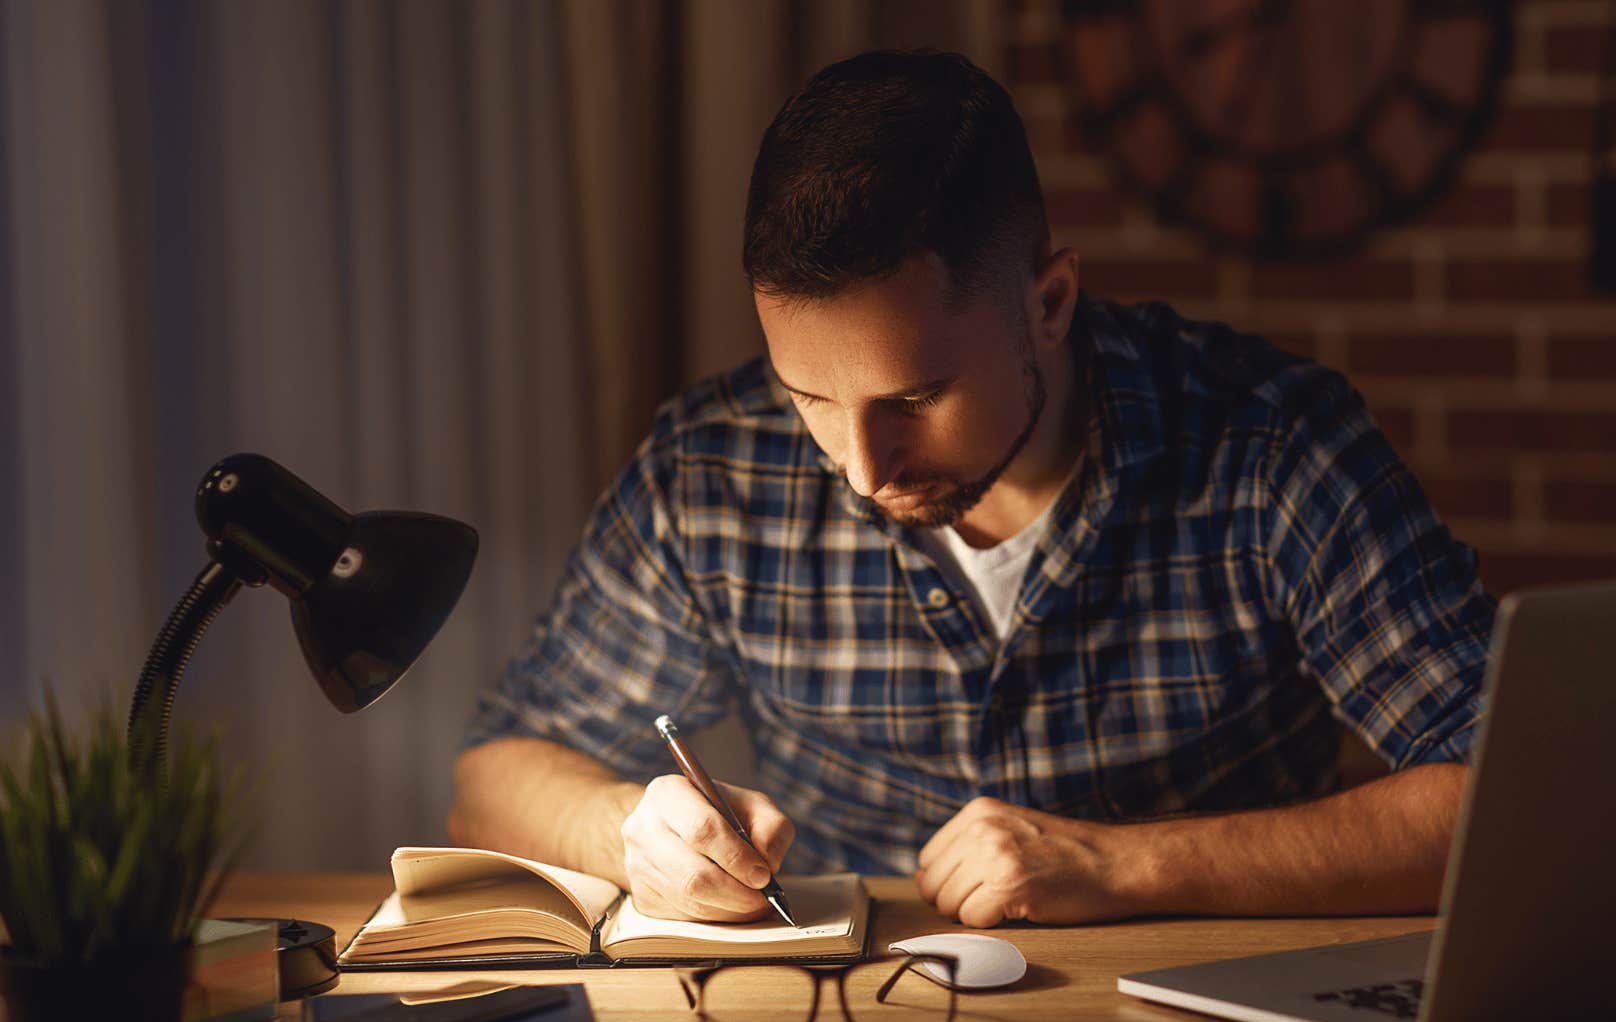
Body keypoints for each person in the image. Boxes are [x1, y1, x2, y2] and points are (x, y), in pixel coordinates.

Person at [449, 50, 1494, 930]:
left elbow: (1505, 798)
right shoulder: (712, 473)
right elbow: (489, 778)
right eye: (809, 395)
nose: (863, 468)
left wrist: (1128, 866)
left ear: (1050, 301)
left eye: (916, 395)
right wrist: (631, 831)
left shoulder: (1271, 444)